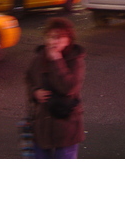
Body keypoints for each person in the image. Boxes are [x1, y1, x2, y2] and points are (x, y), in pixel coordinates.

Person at [25, 17, 85, 159]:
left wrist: (57, 60)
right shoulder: (39, 57)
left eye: (60, 38)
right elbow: (29, 78)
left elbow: (68, 88)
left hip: (66, 126)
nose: (55, 42)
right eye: (51, 37)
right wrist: (34, 92)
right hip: (41, 125)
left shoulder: (75, 60)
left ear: (69, 39)